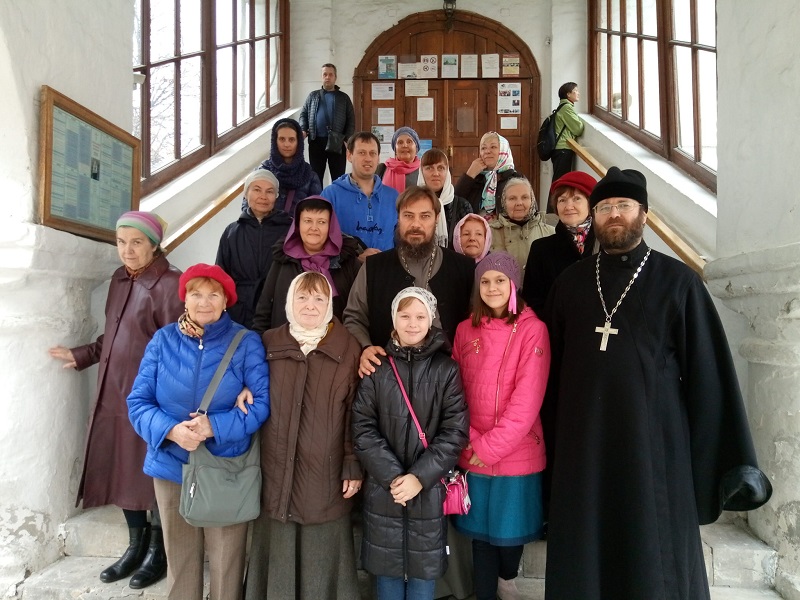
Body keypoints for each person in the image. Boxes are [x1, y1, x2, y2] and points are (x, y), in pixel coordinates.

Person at [543, 167, 772, 600]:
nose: (614, 215)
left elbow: (709, 374)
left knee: (654, 554)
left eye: (623, 206)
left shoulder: (679, 282)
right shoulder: (570, 283)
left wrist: (726, 463)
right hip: (583, 447)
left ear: (643, 214)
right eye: (605, 207)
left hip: (653, 449)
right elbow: (548, 372)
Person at [48, 211, 182, 589]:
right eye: (121, 242)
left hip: (151, 398)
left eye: (136, 242)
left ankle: (160, 549)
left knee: (152, 471)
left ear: (154, 245)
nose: (127, 250)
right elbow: (114, 335)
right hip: (115, 392)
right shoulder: (120, 279)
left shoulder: (171, 284)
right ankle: (135, 545)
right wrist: (83, 355)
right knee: (123, 468)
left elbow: (178, 345)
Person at [127, 263, 270, 600]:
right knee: (180, 561)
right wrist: (172, 431)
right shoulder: (163, 341)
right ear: (185, 299)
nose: (204, 302)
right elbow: (138, 402)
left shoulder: (245, 342)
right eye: (196, 294)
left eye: (213, 295)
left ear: (225, 302)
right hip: (171, 466)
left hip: (224, 469)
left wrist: (213, 427)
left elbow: (262, 404)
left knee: (227, 562)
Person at [243, 272, 362, 599]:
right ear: (289, 301)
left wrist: (352, 463)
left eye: (319, 299)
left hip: (324, 472)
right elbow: (248, 385)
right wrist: (241, 389)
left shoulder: (349, 348)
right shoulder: (267, 342)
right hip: (275, 467)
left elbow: (356, 411)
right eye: (303, 297)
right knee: (277, 544)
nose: (310, 306)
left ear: (330, 304)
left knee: (321, 551)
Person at [352, 287, 469, 600]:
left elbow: (454, 430)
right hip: (384, 491)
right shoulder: (377, 370)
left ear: (431, 321)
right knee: (387, 576)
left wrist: (419, 477)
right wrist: (394, 478)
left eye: (420, 316)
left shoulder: (447, 370)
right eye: (405, 315)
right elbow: (362, 428)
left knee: (422, 577)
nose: (412, 323)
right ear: (394, 320)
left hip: (427, 491)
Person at [451, 252, 550, 600]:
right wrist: (470, 442)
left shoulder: (533, 330)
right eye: (485, 281)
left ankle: (506, 580)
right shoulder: (465, 329)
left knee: (510, 535)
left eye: (499, 280)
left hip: (517, 452)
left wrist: (487, 447)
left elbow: (527, 401)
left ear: (513, 285)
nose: (492, 287)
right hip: (472, 449)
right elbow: (454, 391)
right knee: (481, 537)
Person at [343, 185, 474, 378]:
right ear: (398, 218)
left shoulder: (463, 268)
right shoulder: (373, 267)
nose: (416, 224)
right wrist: (366, 347)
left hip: (448, 382)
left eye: (425, 216)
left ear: (437, 219)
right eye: (408, 215)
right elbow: (354, 317)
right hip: (386, 379)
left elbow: (478, 323)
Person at [251, 196, 360, 334]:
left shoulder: (347, 261)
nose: (314, 228)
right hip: (284, 347)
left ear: (330, 227)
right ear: (298, 224)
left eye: (321, 222)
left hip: (335, 349)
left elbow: (359, 313)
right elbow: (264, 310)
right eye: (308, 221)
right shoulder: (283, 259)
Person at [216, 169, 292, 328]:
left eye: (270, 191)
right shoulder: (231, 232)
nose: (263, 197)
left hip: (278, 308)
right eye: (257, 190)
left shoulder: (290, 230)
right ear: (245, 194)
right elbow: (220, 277)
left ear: (276, 196)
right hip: (239, 311)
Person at [522, 170, 598, 316]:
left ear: (591, 204)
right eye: (562, 200)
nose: (569, 206)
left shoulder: (606, 244)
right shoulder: (541, 249)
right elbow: (533, 300)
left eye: (576, 199)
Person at [320, 131, 399, 259]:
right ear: (349, 155)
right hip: (347, 273)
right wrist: (355, 257)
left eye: (372, 153)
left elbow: (400, 239)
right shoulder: (330, 195)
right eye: (362, 153)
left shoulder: (393, 197)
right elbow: (321, 240)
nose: (368, 158)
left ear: (378, 158)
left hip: (386, 272)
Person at [299, 63, 356, 184]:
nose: (327, 77)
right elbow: (303, 114)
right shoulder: (312, 96)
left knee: (338, 178)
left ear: (335, 77)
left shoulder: (344, 98)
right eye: (325, 74)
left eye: (330, 74)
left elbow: (351, 119)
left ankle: (336, 202)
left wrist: (348, 140)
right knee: (315, 177)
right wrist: (303, 129)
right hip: (316, 142)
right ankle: (318, 201)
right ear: (321, 77)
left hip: (337, 142)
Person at [489, 177, 554, 278]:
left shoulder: (551, 233)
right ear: (503, 202)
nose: (519, 203)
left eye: (524, 197)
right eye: (512, 198)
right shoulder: (489, 232)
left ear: (532, 200)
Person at [256, 117, 322, 215]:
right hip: (266, 229)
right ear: (275, 141)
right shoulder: (263, 172)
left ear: (298, 143)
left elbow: (317, 213)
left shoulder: (310, 176)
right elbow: (248, 206)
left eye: (291, 140)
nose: (286, 144)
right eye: (282, 139)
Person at [454, 132, 523, 219]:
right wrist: (469, 174)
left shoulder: (515, 179)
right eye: (483, 148)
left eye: (493, 147)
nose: (487, 151)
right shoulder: (476, 178)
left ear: (503, 150)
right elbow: (455, 204)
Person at [417, 148, 473, 247]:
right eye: (429, 168)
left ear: (447, 172)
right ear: (421, 172)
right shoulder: (413, 205)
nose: (436, 173)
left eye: (441, 168)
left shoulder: (462, 206)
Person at [549, 82, 586, 194]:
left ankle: (552, 209)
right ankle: (553, 209)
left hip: (560, 149)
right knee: (560, 181)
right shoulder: (566, 108)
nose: (578, 93)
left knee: (559, 180)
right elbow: (578, 129)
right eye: (575, 90)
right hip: (563, 149)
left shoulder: (562, 107)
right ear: (568, 94)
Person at [375, 126, 421, 193]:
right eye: (400, 142)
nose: (404, 145)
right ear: (395, 149)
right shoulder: (382, 169)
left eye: (409, 142)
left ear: (416, 147)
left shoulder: (423, 170)